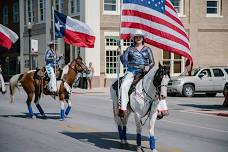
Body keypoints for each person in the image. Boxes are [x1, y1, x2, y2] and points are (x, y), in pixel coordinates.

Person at [118, 29, 155, 117]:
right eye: (136, 37)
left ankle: (160, 109)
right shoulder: (130, 49)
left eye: (140, 37)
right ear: (134, 38)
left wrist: (148, 67)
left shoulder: (147, 49)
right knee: (123, 86)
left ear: (143, 38)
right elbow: (124, 62)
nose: (138, 38)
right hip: (132, 71)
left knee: (158, 87)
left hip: (145, 72)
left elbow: (152, 62)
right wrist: (120, 54)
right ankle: (123, 108)